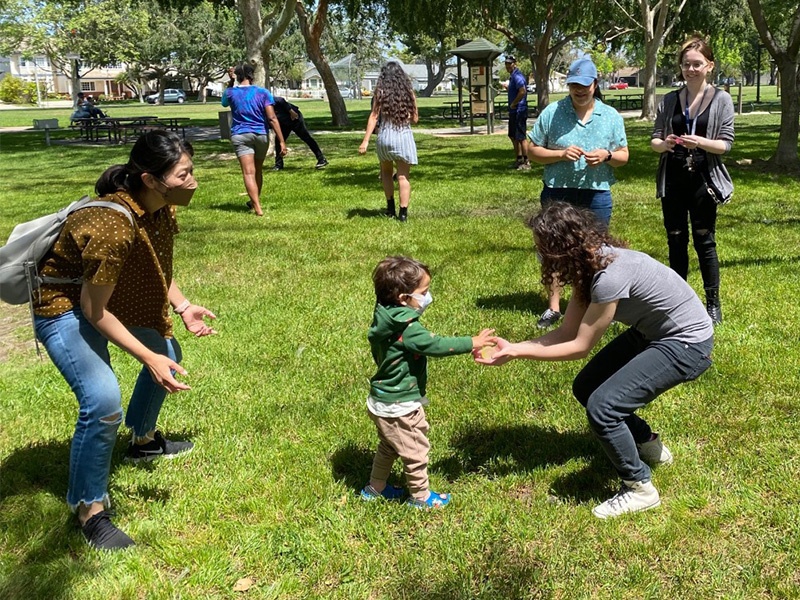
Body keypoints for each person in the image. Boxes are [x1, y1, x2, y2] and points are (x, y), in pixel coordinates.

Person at [33, 130, 218, 550]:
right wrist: (148, 358)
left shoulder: (161, 208)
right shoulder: (114, 224)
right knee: (101, 401)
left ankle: (143, 441)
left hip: (100, 294)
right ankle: (89, 511)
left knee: (167, 348)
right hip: (62, 304)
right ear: (151, 180)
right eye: (183, 174)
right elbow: (93, 311)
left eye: (192, 171)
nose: (193, 181)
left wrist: (183, 306)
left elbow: (156, 267)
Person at [475, 202, 714, 518]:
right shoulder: (592, 264)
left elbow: (579, 346)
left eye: (541, 248)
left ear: (560, 249)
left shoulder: (608, 276)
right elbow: (567, 331)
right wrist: (515, 346)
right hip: (654, 333)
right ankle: (648, 444)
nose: (539, 255)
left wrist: (518, 352)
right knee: (587, 386)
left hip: (687, 344)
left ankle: (639, 487)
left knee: (604, 407)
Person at [363, 256, 494, 508]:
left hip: (382, 400)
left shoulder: (385, 315)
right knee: (415, 452)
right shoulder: (407, 328)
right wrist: (472, 342)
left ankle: (375, 489)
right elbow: (436, 345)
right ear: (403, 298)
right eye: (423, 292)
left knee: (389, 447)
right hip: (401, 405)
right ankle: (421, 498)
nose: (428, 296)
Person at [527, 56, 628, 329]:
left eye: (585, 85)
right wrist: (560, 154)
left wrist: (607, 156)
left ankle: (591, 302)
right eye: (574, 85)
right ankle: (553, 308)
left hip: (596, 194)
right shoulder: (552, 112)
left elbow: (623, 155)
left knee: (595, 250)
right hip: (557, 193)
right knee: (553, 251)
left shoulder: (610, 116)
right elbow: (532, 150)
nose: (579, 90)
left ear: (595, 85)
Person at [651, 37, 734, 324]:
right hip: (673, 178)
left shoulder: (721, 99)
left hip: (703, 179)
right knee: (675, 239)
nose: (691, 69)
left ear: (709, 66)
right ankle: (679, 302)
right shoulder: (670, 99)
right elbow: (655, 137)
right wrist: (664, 144)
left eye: (697, 64)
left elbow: (726, 145)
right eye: (686, 64)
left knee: (704, 239)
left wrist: (700, 142)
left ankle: (713, 303)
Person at [222, 64, 287, 217]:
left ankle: (257, 207)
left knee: (248, 172)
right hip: (260, 135)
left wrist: (231, 82)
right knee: (257, 170)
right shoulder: (263, 93)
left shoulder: (230, 92)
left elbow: (224, 103)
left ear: (237, 76)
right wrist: (282, 141)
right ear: (252, 76)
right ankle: (254, 203)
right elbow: (272, 118)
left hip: (240, 135)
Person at [359, 62, 418, 222]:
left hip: (385, 136)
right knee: (403, 176)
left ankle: (390, 208)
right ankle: (403, 214)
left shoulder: (380, 92)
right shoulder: (409, 93)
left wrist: (365, 141)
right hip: (404, 137)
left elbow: (373, 117)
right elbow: (415, 119)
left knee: (385, 172)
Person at [270, 96, 328, 171]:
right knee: (278, 141)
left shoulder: (268, 100)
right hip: (283, 122)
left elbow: (281, 100)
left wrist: (291, 111)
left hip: (294, 118)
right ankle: (279, 165)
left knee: (306, 138)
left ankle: (321, 159)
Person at [504, 55, 530, 171]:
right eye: (506, 63)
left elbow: (522, 91)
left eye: (510, 63)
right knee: (512, 135)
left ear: (515, 64)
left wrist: (514, 103)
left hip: (519, 110)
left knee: (521, 137)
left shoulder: (517, 76)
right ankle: (518, 160)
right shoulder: (512, 77)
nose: (508, 66)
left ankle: (527, 161)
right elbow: (516, 90)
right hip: (514, 111)